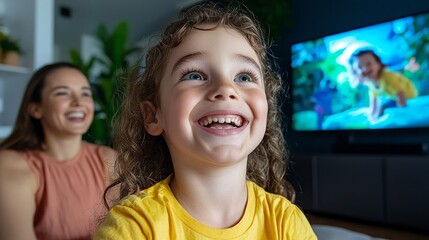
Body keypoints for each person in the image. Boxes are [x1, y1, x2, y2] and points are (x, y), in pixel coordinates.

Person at [94, 1, 317, 239]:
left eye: (244, 76)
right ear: (153, 115)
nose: (225, 88)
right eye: (194, 75)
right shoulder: (133, 226)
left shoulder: (286, 221)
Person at [0, 62, 116, 240]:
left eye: (85, 93)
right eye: (62, 93)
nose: (78, 102)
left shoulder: (108, 158)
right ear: (36, 109)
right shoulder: (10, 164)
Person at [348, 49, 418, 121]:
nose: (365, 69)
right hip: (395, 96)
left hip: (409, 94)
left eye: (369, 64)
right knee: (382, 104)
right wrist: (371, 115)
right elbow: (373, 103)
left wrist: (403, 113)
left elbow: (401, 94)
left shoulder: (388, 76)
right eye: (360, 67)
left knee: (383, 105)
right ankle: (376, 121)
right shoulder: (371, 83)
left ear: (378, 64)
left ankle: (378, 122)